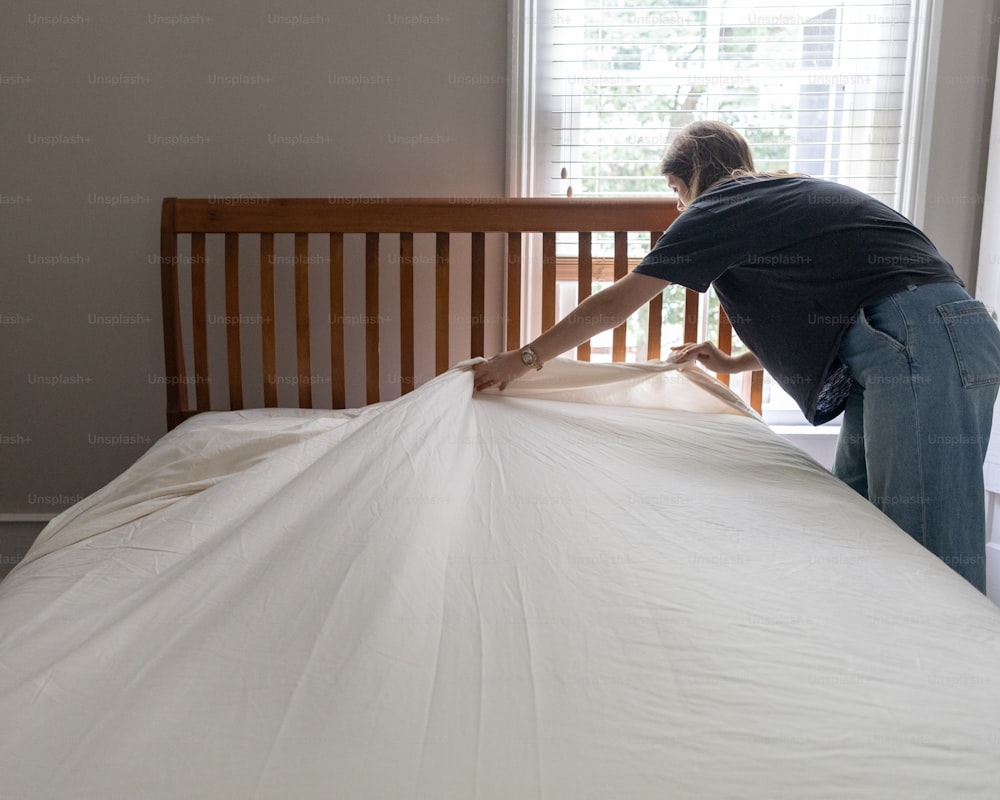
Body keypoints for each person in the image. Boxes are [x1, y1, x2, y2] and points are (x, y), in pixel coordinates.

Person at [472, 119, 1000, 592]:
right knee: (865, 516)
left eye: (677, 193)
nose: (679, 208)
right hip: (917, 340)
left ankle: (961, 689)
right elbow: (833, 316)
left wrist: (521, 360)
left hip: (920, 341)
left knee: (931, 548)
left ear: (690, 180)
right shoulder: (779, 198)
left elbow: (618, 302)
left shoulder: (721, 205)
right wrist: (731, 363)